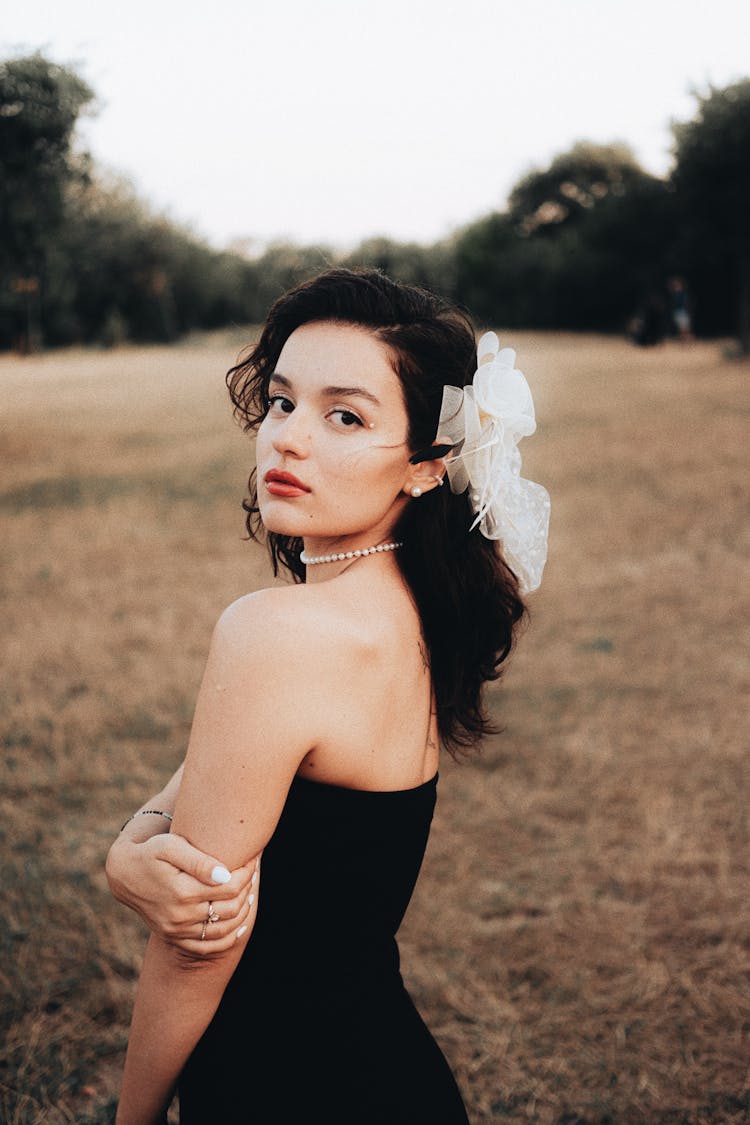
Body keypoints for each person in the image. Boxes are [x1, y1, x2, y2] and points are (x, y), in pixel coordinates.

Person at [106, 268, 550, 1124]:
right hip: (388, 1068)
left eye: (344, 415)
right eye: (280, 403)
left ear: (427, 466)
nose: (288, 439)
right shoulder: (411, 609)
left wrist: (133, 1119)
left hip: (284, 1081)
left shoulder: (279, 631)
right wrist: (128, 851)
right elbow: (212, 782)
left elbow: (200, 942)